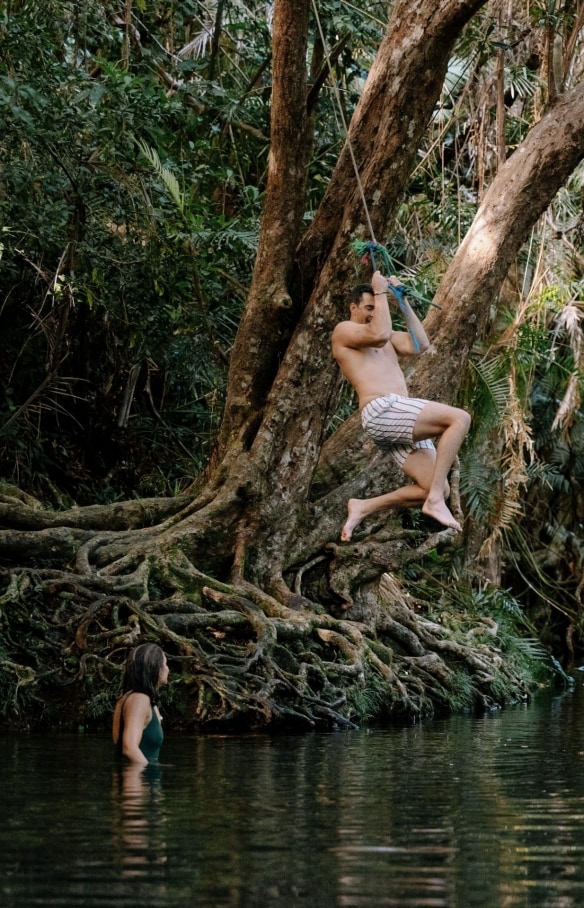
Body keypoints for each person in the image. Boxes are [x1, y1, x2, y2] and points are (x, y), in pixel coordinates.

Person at [331, 270, 471, 542]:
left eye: (376, 308)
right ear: (354, 307)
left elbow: (420, 344)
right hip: (382, 410)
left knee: (439, 488)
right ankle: (433, 501)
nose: (373, 312)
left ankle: (363, 506)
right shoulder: (344, 331)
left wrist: (401, 300)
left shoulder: (386, 337)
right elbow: (379, 333)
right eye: (368, 308)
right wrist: (380, 290)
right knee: (459, 419)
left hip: (399, 416)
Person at [112, 643, 169, 765]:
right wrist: (147, 771)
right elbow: (129, 748)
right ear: (156, 668)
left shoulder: (137, 698)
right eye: (165, 663)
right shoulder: (139, 700)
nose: (168, 669)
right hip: (137, 781)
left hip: (143, 779)